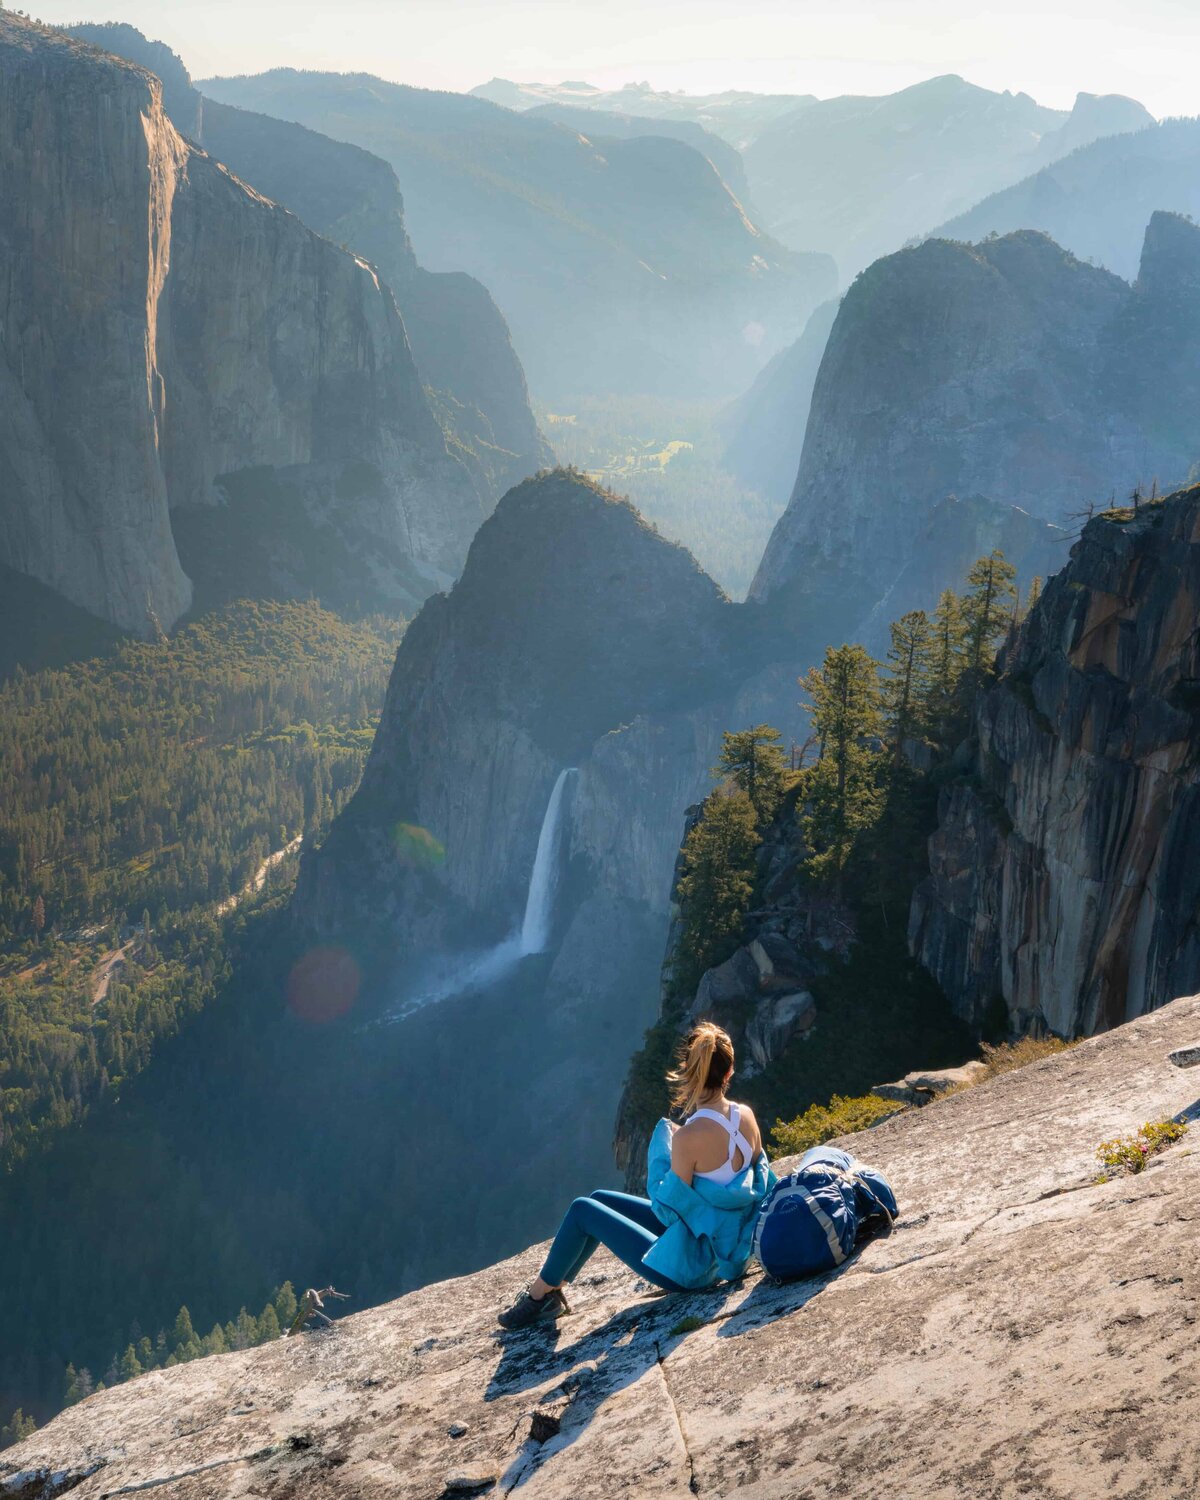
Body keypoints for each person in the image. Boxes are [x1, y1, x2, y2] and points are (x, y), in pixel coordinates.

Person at [498, 1022, 774, 1330]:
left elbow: (666, 1210)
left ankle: (538, 1298)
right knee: (598, 1200)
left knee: (581, 1211)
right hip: (732, 1246)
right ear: (728, 1072)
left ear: (689, 1073)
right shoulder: (745, 1116)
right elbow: (760, 1184)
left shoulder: (688, 1138)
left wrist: (663, 1147)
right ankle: (554, 1286)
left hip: (695, 1267)